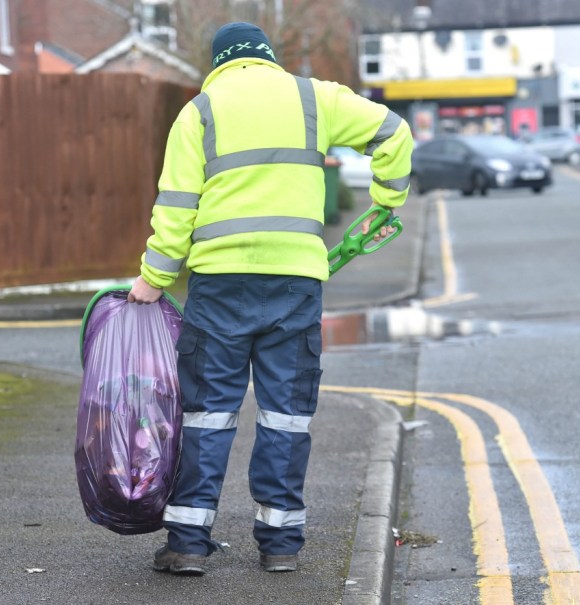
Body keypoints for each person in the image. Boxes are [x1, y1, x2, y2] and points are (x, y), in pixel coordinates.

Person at [127, 21, 414, 576]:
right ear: (268, 58)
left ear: (220, 64)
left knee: (208, 415)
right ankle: (281, 544)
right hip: (295, 284)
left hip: (219, 286)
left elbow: (176, 207)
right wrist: (386, 198)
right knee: (286, 415)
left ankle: (188, 542)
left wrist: (153, 280)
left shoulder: (200, 112)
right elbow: (393, 132)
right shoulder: (314, 97)